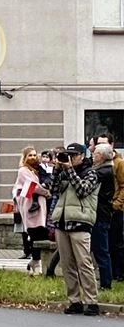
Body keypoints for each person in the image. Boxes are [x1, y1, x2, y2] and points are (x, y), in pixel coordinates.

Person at [50, 142, 100, 316]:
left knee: (84, 264)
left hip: (80, 223)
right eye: (67, 155)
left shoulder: (91, 173)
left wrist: (69, 169)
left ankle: (91, 301)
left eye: (73, 155)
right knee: (67, 265)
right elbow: (53, 190)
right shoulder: (64, 172)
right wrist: (57, 169)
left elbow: (82, 190)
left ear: (82, 155)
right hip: (62, 223)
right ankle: (74, 301)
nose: (69, 158)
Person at [13, 147, 53, 275]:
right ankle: (36, 264)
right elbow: (33, 186)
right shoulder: (23, 171)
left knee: (41, 234)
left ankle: (35, 262)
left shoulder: (39, 170)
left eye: (34, 155)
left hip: (41, 206)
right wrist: (46, 192)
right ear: (24, 157)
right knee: (34, 234)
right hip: (30, 205)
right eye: (29, 155)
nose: (32, 157)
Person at [95, 133, 124, 283]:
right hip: (106, 208)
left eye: (103, 143)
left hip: (114, 209)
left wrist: (117, 204)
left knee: (115, 242)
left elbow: (122, 185)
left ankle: (118, 273)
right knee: (106, 244)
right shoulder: (98, 166)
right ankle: (111, 274)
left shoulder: (118, 163)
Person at [91, 142, 116, 290]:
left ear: (100, 156)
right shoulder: (106, 169)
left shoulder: (103, 172)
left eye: (94, 154)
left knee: (101, 250)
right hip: (101, 214)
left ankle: (106, 283)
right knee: (100, 249)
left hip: (100, 215)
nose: (93, 156)